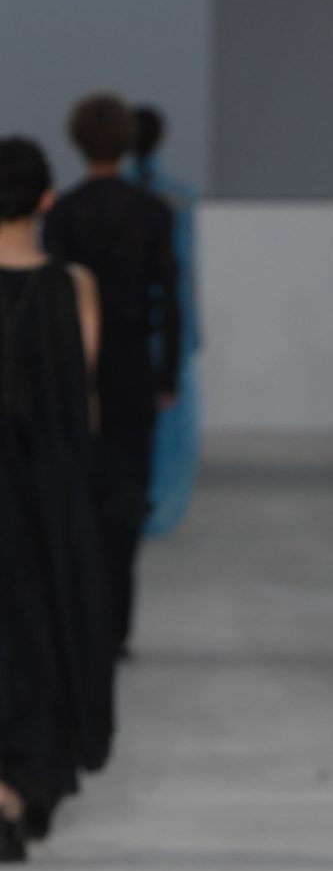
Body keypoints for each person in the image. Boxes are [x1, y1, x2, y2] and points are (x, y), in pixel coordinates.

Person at [0, 135, 109, 859]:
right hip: (49, 490)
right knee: (40, 632)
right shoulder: (74, 287)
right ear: (46, 199)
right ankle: (25, 786)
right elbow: (83, 390)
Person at [44, 93, 179, 659]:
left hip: (74, 363)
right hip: (131, 362)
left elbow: (52, 299)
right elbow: (168, 296)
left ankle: (81, 619)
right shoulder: (152, 212)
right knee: (126, 500)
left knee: (77, 492)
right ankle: (116, 625)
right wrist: (167, 373)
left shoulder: (64, 212)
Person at [131, 104, 200, 535]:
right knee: (170, 418)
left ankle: (139, 501)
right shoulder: (179, 198)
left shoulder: (112, 194)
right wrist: (192, 330)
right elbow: (186, 269)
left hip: (124, 324)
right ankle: (159, 502)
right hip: (167, 321)